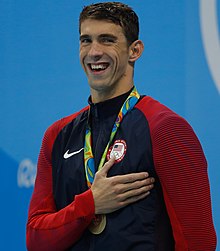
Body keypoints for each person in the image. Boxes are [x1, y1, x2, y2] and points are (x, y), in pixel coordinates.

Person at [26, 2, 217, 250]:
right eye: (86, 40)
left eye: (107, 40)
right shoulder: (57, 136)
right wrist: (90, 204)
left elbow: (198, 240)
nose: (94, 52)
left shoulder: (165, 129)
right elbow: (36, 239)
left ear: (134, 51)